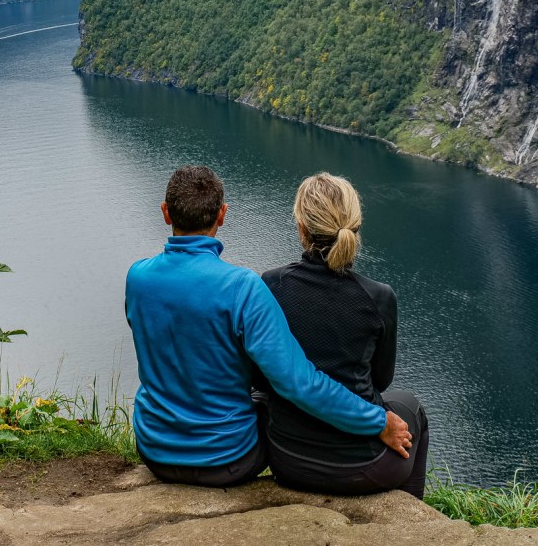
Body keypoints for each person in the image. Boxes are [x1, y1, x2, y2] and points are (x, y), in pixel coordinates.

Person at [125, 165, 412, 488]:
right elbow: (298, 383)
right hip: (227, 461)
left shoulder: (137, 278)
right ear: (222, 214)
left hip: (155, 451)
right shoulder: (242, 287)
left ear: (165, 212)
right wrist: (378, 421)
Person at [261, 172, 429, 498]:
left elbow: (260, 376)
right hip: (364, 467)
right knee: (412, 408)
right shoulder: (379, 297)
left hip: (287, 458)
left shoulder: (271, 285)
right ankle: (412, 520)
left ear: (302, 228)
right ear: (355, 227)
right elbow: (380, 381)